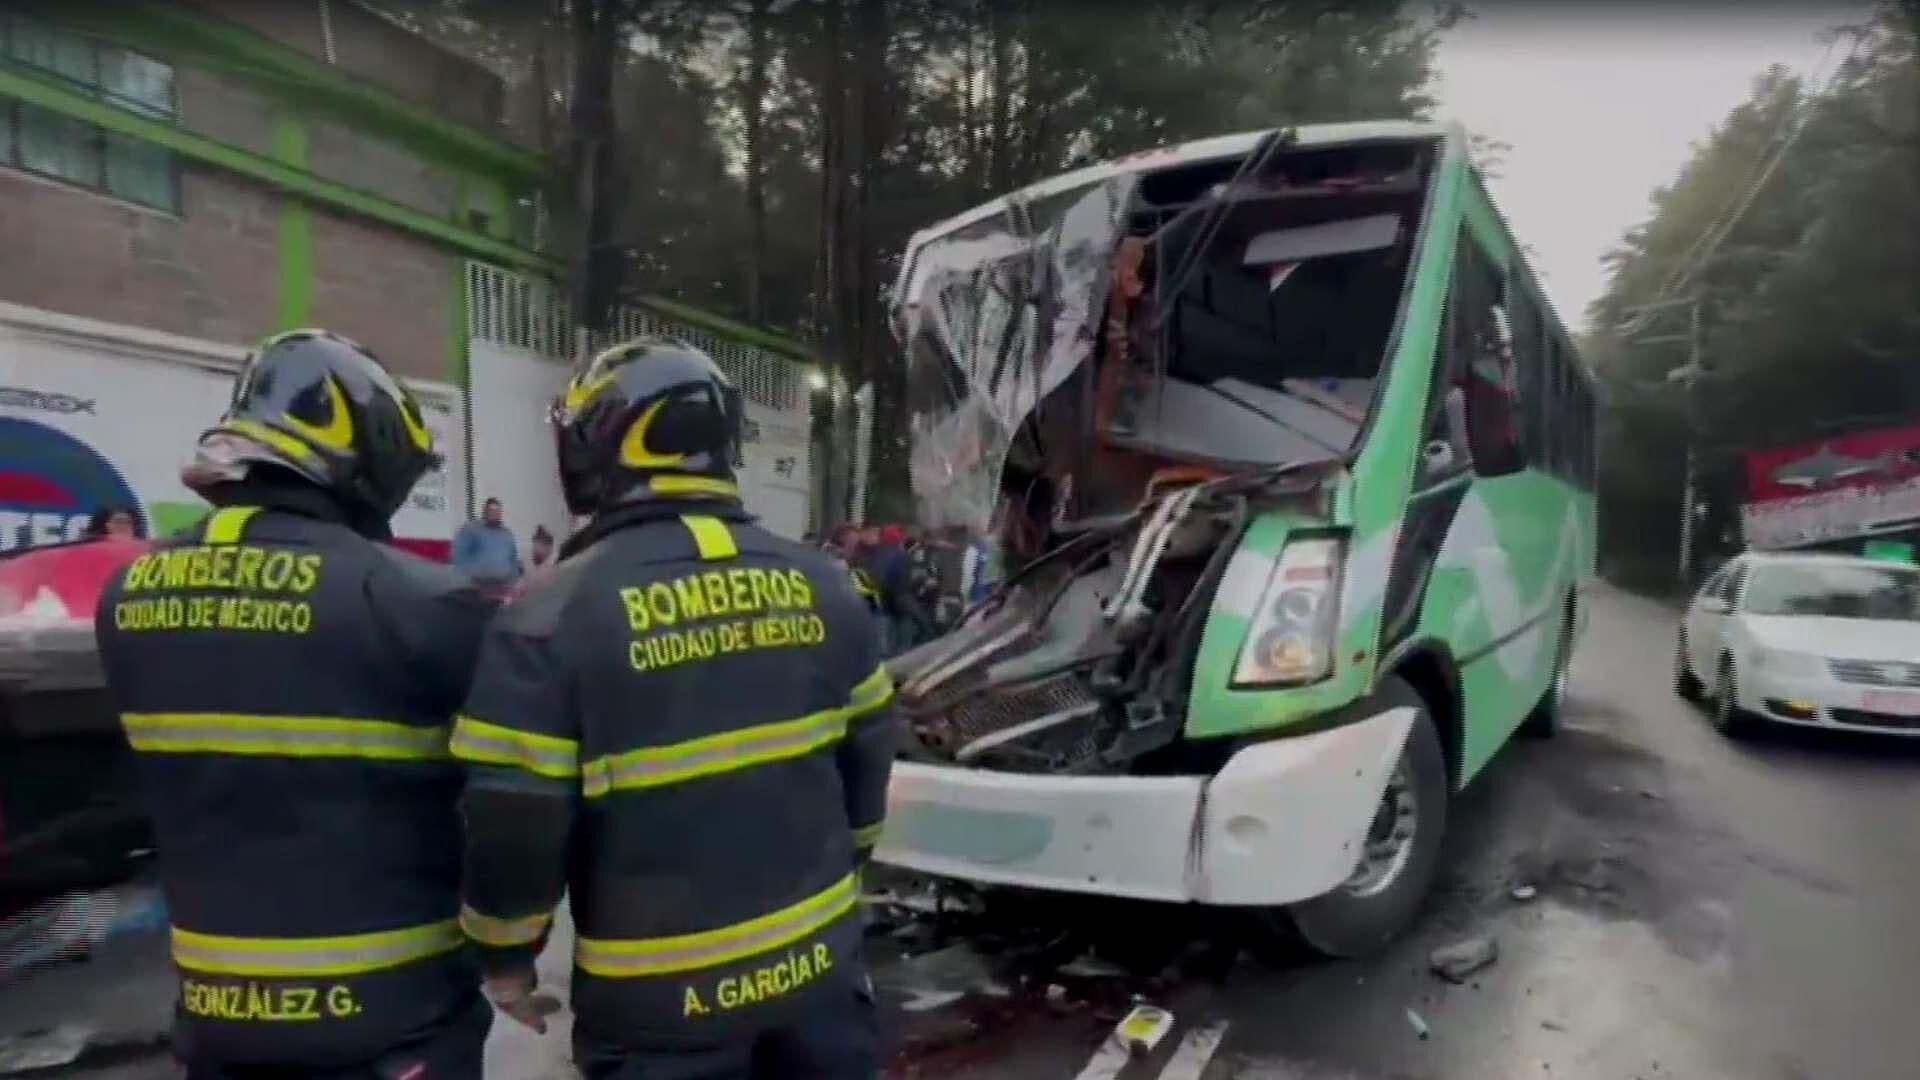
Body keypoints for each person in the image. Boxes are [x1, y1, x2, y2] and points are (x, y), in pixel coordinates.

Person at [452, 338, 895, 1079]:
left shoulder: (550, 615)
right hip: (821, 974)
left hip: (659, 1007)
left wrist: (505, 954)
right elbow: (869, 770)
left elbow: (514, 822)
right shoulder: (827, 586)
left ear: (596, 448)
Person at [93, 330, 495, 1077]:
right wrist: (512, 947)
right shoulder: (422, 603)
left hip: (214, 1015)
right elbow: (510, 797)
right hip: (390, 1017)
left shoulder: (126, 598)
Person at [453, 496, 523, 595]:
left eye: (498, 511)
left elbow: (513, 559)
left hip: (502, 585)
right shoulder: (471, 529)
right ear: (484, 511)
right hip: (476, 586)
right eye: (491, 510)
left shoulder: (507, 534)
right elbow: (458, 556)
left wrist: (514, 582)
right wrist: (467, 581)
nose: (495, 513)